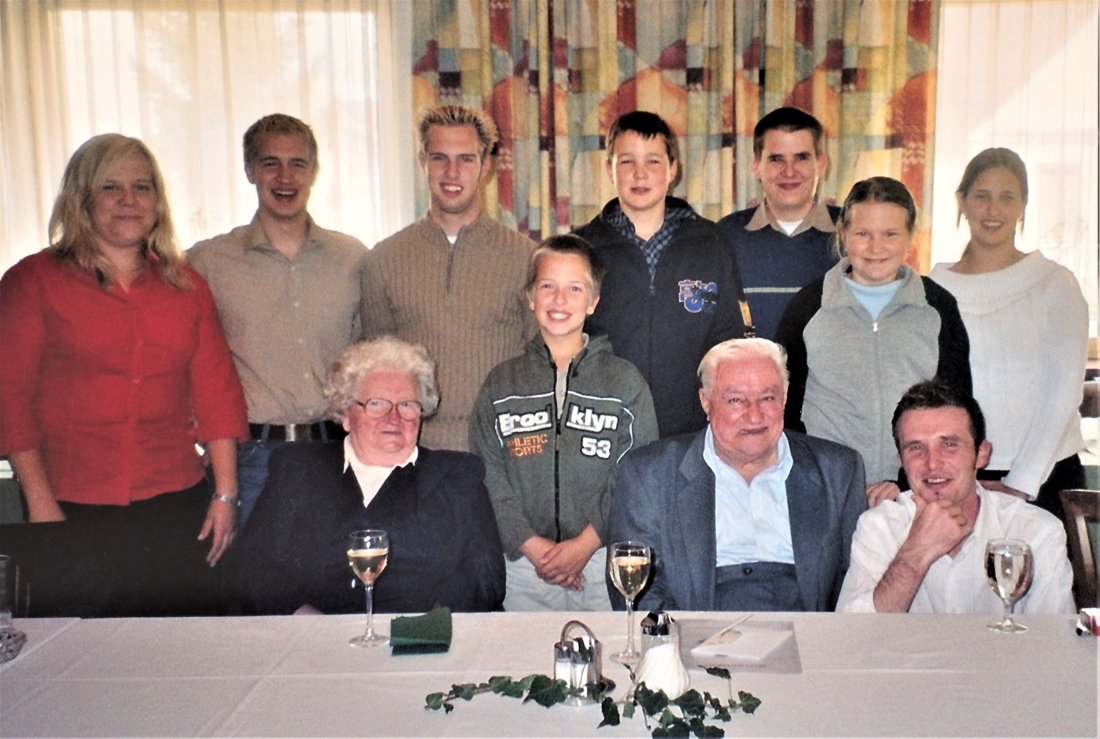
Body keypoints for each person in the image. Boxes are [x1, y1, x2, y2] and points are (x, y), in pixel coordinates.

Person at [0, 134, 248, 616]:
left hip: (177, 508)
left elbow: (217, 393)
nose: (129, 201)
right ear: (81, 198)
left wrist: (225, 495)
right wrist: (42, 506)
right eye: (111, 187)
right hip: (70, 506)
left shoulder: (187, 285)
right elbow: (10, 399)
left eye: (142, 187)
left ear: (158, 202)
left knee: (180, 655)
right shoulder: (31, 283)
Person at [231, 337, 506, 615]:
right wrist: (305, 619)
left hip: (418, 643)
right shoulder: (297, 471)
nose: (394, 418)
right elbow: (251, 568)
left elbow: (485, 579)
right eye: (376, 404)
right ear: (346, 414)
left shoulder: (456, 478)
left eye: (407, 405)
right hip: (313, 642)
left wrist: (425, 627)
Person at [189, 113, 368, 527]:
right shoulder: (208, 262)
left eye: (298, 163)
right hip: (249, 463)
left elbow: (371, 359)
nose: (284, 177)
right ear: (250, 170)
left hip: (337, 456)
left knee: (334, 587)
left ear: (314, 172)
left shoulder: (353, 259)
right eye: (271, 163)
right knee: (250, 589)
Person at [469, 235, 659, 611]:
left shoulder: (625, 382)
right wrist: (532, 546)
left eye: (575, 288)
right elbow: (486, 471)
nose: (559, 300)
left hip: (603, 558)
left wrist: (585, 545)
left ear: (593, 301)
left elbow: (637, 471)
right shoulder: (501, 384)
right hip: (524, 564)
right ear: (530, 297)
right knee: (528, 665)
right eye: (547, 287)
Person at [607, 338, 866, 612]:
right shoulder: (650, 474)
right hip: (694, 636)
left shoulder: (838, 471)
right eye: (736, 400)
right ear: (706, 402)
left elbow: (855, 586)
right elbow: (639, 592)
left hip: (807, 639)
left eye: (768, 398)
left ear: (785, 398)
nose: (754, 416)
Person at [776, 177, 971, 506]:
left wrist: (906, 483)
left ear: (910, 236)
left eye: (890, 234)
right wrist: (822, 478)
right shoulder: (808, 307)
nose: (876, 248)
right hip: (827, 494)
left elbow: (956, 410)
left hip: (917, 495)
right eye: (863, 234)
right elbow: (783, 407)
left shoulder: (937, 306)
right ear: (843, 234)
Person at [361, 104, 535, 452]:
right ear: (422, 162)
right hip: (412, 455)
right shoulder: (383, 259)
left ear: (486, 167)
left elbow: (540, 366)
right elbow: (376, 371)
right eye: (439, 158)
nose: (452, 172)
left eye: (466, 159)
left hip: (500, 456)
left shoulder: (527, 258)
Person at [929, 148, 1088, 521]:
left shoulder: (1055, 284)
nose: (993, 210)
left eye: (1007, 197)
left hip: (1044, 477)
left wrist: (1021, 484)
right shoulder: (932, 288)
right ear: (961, 202)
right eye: (981, 196)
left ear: (1023, 204)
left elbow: (1063, 392)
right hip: (959, 476)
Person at [574, 111, 748, 438]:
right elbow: (565, 339)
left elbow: (730, 339)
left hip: (692, 430)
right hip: (603, 428)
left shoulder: (710, 243)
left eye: (653, 162)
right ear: (609, 169)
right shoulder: (580, 248)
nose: (640, 174)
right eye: (626, 162)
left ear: (672, 169)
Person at [837, 380, 1075, 614]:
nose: (932, 463)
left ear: (981, 454)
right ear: (901, 461)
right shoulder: (879, 526)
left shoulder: (1035, 531)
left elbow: (1055, 642)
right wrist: (915, 553)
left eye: (949, 444)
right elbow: (854, 636)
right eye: (916, 448)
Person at [717, 107, 840, 341]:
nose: (789, 171)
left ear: (821, 163)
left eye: (801, 157)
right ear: (756, 165)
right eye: (776, 159)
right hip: (750, 377)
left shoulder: (853, 234)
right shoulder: (725, 235)